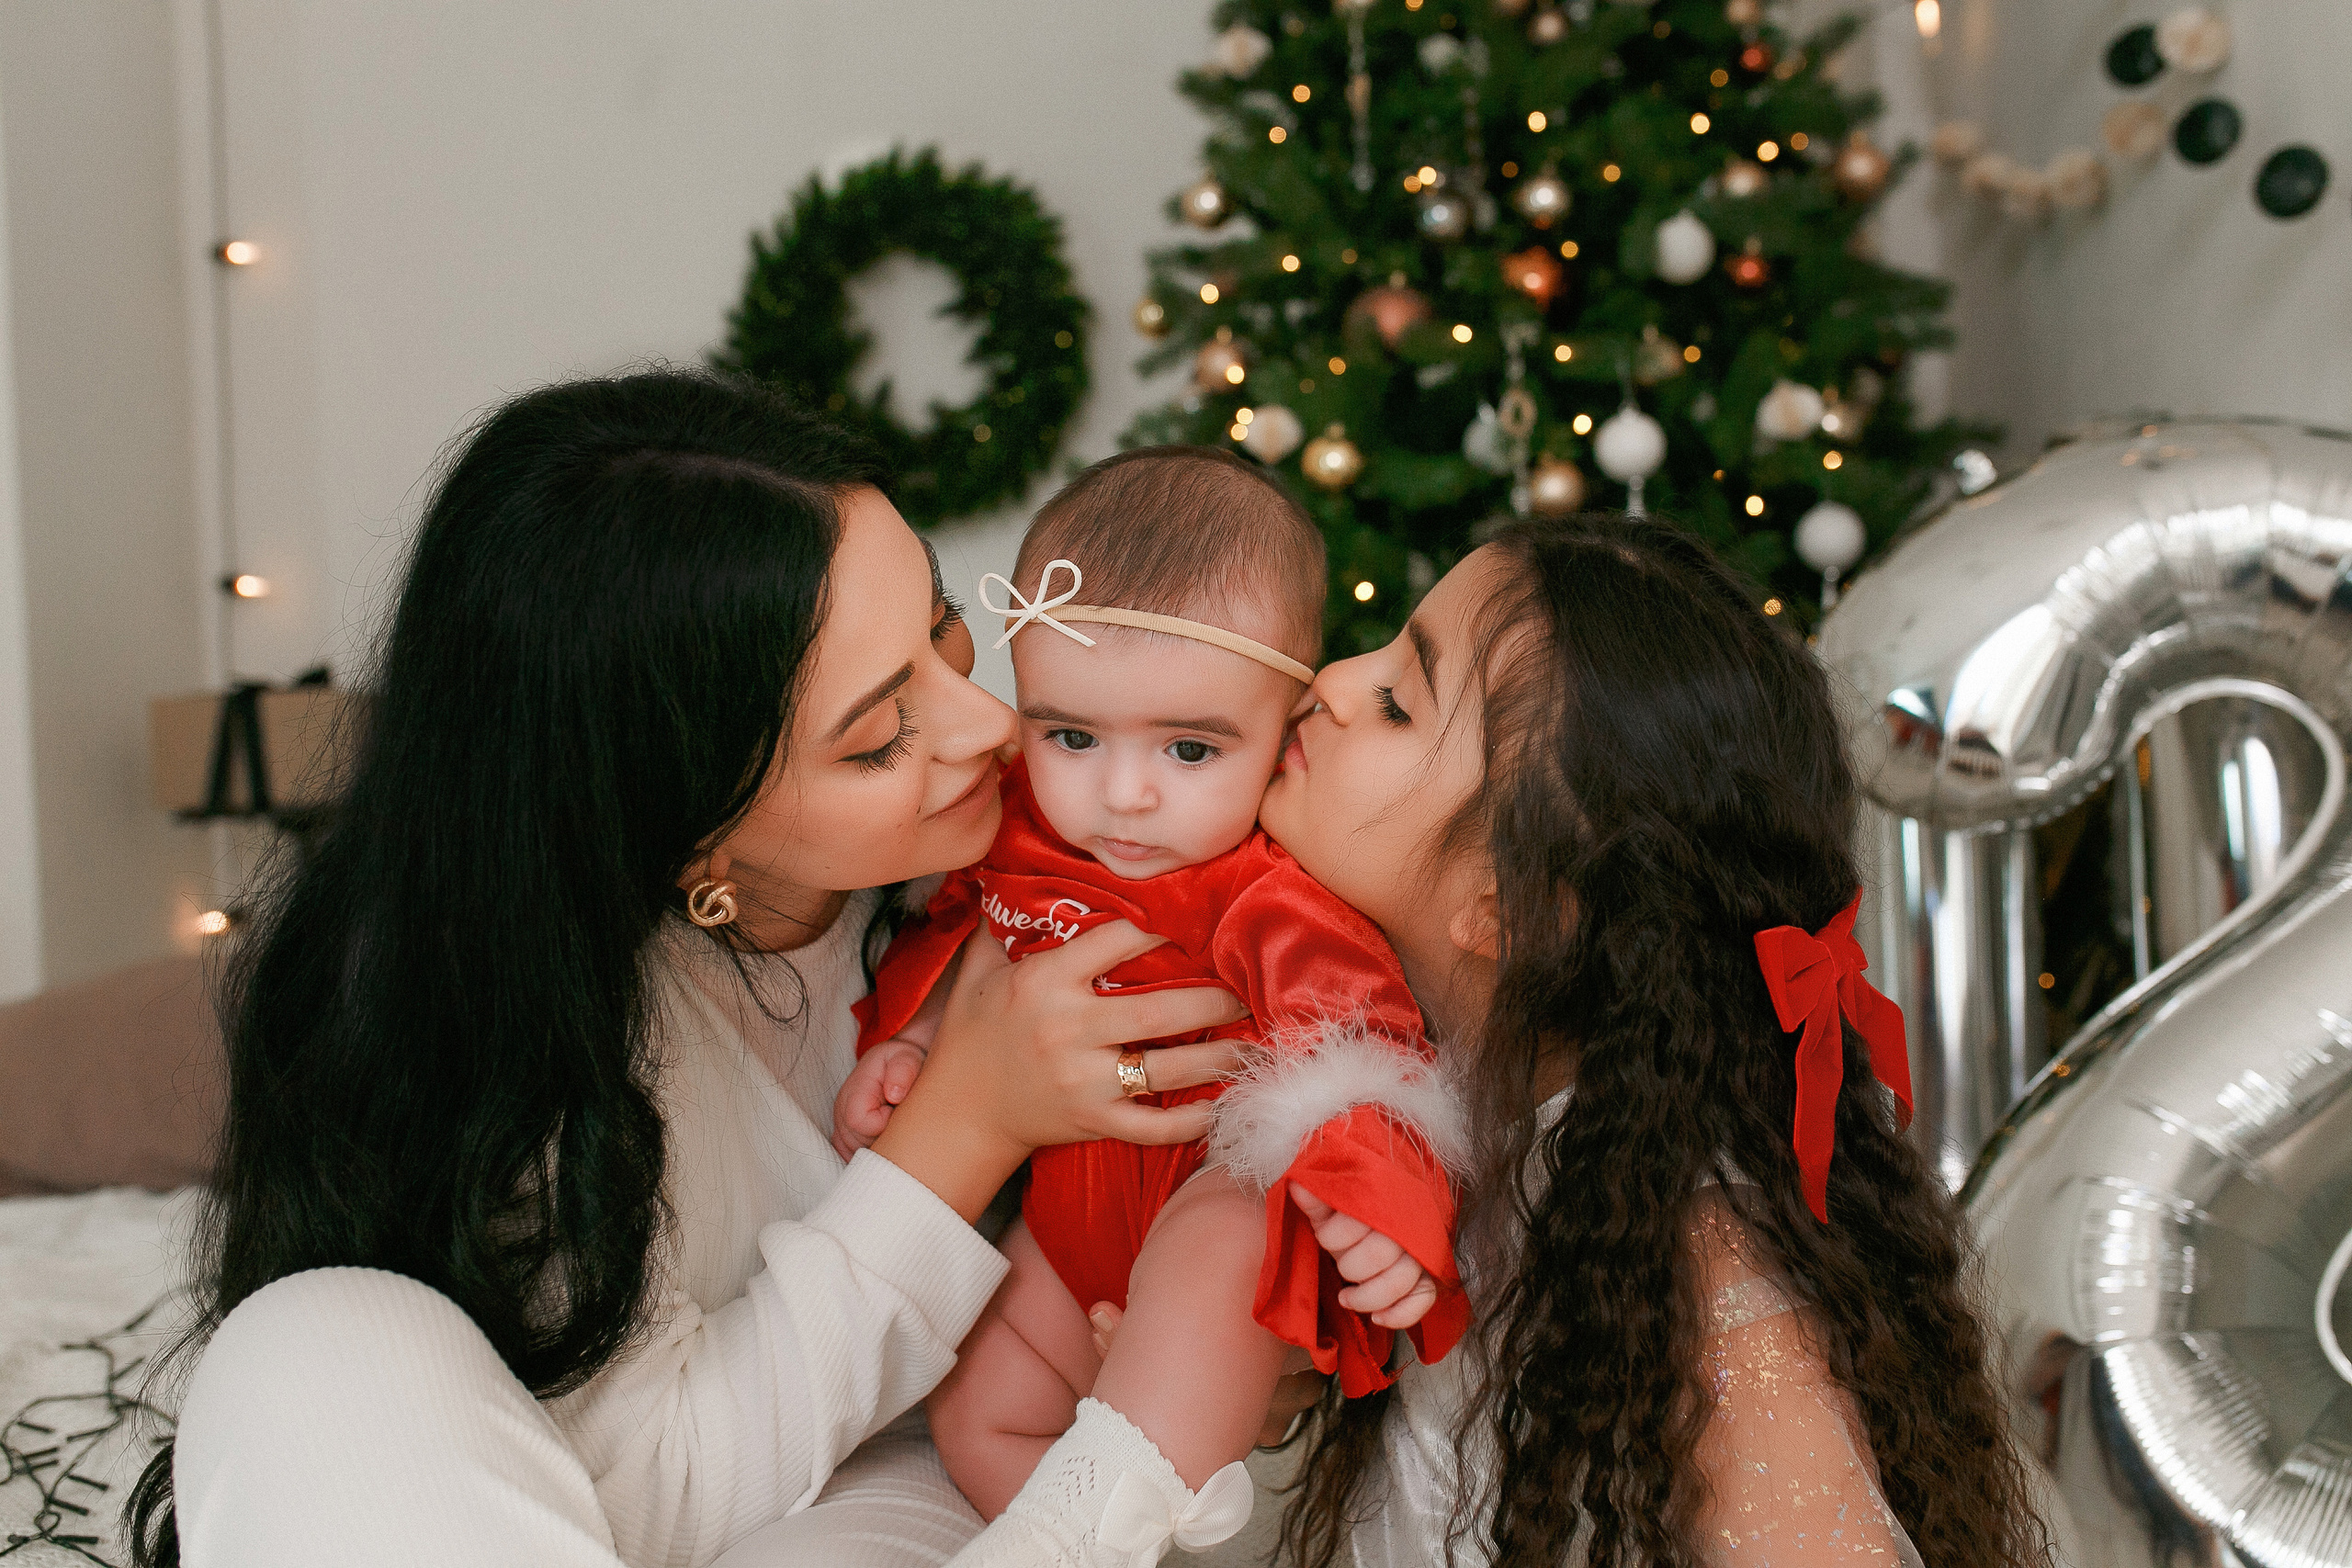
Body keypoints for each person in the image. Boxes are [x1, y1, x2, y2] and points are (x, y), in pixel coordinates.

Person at [126, 370, 1270, 1568]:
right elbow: (646, 1501)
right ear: (691, 840)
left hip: (958, 1470)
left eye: (942, 628)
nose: (990, 724)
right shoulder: (527, 1024)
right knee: (306, 1342)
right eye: (881, 735)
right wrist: (965, 1124)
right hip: (646, 1500)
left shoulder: (1090, 829)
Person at [951, 514, 2050, 1568]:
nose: (1330, 683)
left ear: (1509, 907)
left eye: (1396, 702)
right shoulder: (1393, 1086)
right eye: (1382, 650)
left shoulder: (1701, 1269)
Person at [837, 449, 1465, 1521]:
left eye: (1189, 750)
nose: (1123, 795)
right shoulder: (1016, 831)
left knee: (1222, 1241)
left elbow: (1363, 1046)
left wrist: (1378, 1205)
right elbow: (968, 942)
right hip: (1061, 1236)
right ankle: (1084, 1543)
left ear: (1285, 729)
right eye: (1072, 735)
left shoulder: (1262, 894)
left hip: (1209, 1209)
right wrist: (913, 1048)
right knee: (978, 1416)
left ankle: (1121, 1500)